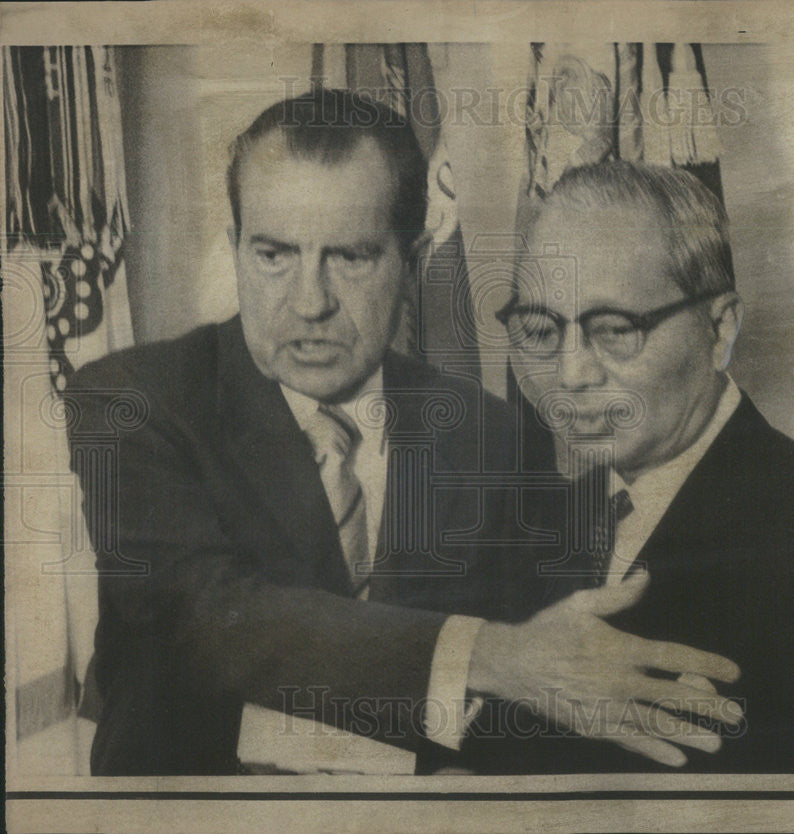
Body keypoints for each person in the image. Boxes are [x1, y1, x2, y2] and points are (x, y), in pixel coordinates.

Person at [64, 90, 743, 776]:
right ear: (237, 247)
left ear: (413, 263)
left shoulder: (494, 435)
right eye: (273, 255)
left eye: (350, 257)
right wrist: (487, 656)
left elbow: (550, 666)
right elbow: (203, 622)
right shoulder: (131, 401)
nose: (309, 303)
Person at [476, 160, 794, 773]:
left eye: (614, 330)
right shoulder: (534, 522)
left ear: (720, 329)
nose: (569, 375)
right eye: (539, 329)